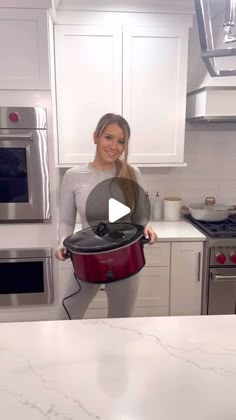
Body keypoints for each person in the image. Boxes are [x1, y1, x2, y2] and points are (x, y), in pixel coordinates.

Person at [55, 113, 157, 319]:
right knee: (66, 317)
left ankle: (115, 353)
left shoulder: (132, 173)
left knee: (121, 321)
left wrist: (147, 227)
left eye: (121, 141)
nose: (114, 146)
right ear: (96, 137)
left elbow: (139, 217)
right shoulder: (73, 176)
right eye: (108, 137)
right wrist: (61, 243)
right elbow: (66, 220)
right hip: (87, 258)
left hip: (124, 257)